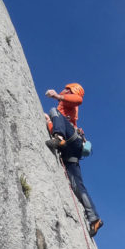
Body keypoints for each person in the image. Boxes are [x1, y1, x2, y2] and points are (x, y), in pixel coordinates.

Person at [44, 84, 103, 238]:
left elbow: (78, 100)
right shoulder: (62, 113)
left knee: (53, 111)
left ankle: (59, 138)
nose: (63, 91)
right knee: (77, 185)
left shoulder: (68, 104)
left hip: (72, 140)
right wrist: (48, 122)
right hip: (71, 152)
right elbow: (55, 124)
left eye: (66, 90)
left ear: (70, 90)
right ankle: (94, 219)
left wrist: (57, 96)